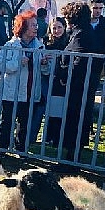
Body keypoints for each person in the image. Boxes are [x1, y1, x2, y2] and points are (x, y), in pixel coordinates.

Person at [0, 11, 48, 156]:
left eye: (36, 25)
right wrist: (18, 62)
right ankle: (2, 149)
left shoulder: (39, 46)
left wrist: (44, 64)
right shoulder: (10, 45)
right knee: (7, 122)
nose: (36, 28)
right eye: (32, 25)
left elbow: (45, 71)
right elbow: (2, 65)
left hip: (30, 91)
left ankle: (21, 150)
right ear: (23, 26)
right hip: (12, 91)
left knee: (24, 123)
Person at [57, 2, 97, 161]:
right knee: (75, 121)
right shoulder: (81, 32)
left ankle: (71, 159)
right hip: (79, 85)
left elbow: (79, 61)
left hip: (78, 87)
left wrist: (66, 78)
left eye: (67, 16)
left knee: (75, 121)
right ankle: (71, 156)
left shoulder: (81, 34)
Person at [86, 0, 105, 138]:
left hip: (96, 68)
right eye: (95, 8)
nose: (97, 11)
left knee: (91, 97)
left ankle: (89, 127)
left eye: (100, 8)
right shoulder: (83, 23)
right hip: (80, 66)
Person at [43, 16, 69, 146]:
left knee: (58, 109)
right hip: (47, 78)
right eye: (54, 28)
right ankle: (47, 136)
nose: (56, 30)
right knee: (48, 109)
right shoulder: (45, 43)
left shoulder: (68, 43)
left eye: (59, 27)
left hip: (61, 80)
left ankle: (57, 137)